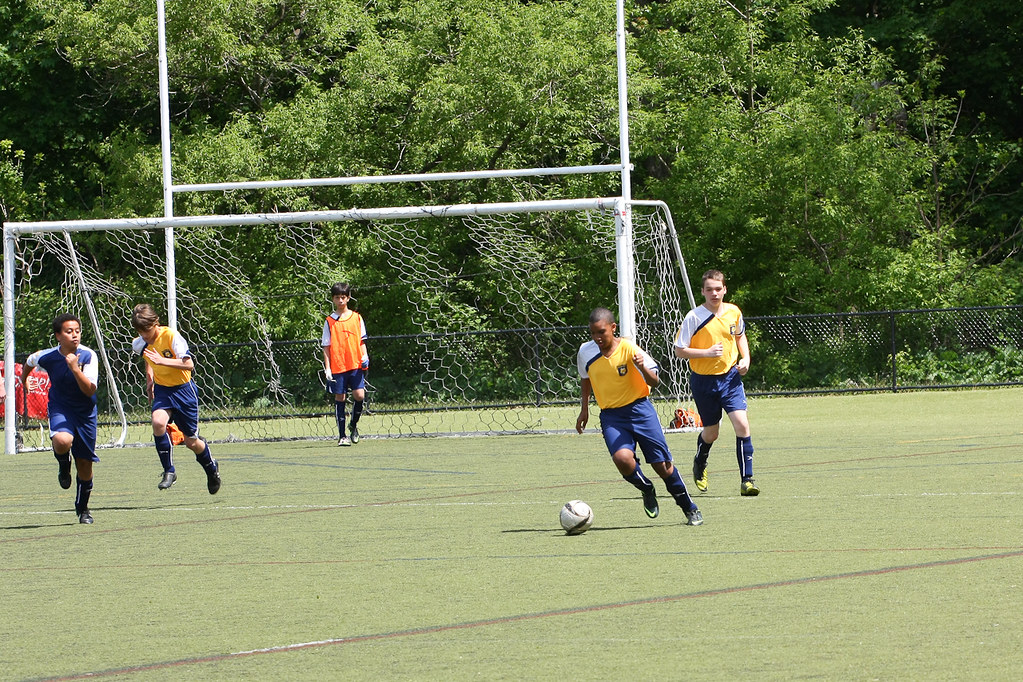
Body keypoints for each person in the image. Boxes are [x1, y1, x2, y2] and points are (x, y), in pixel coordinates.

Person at [575, 307, 703, 526]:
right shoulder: (586, 352)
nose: (597, 338)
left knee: (662, 465)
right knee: (622, 460)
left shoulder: (629, 348)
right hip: (612, 416)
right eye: (593, 333)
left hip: (640, 410)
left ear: (613, 328)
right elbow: (585, 378)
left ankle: (689, 508)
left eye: (601, 332)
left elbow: (654, 382)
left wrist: (643, 367)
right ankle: (646, 488)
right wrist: (584, 408)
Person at [673, 269, 759, 496]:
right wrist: (706, 352)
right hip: (703, 382)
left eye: (718, 289)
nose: (714, 293)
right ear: (702, 291)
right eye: (709, 289)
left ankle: (747, 480)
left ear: (725, 290)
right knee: (712, 433)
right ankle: (700, 462)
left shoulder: (733, 312)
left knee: (742, 425)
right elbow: (679, 350)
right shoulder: (694, 317)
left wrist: (746, 358)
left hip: (730, 378)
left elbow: (740, 336)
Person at [131, 303, 221, 494]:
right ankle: (169, 471)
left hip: (184, 391)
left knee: (191, 442)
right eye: (141, 332)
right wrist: (150, 380)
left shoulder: (171, 336)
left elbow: (189, 365)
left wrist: (161, 361)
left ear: (156, 322)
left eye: (147, 331)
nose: (145, 336)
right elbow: (148, 359)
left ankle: (211, 469)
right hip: (163, 390)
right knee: (157, 422)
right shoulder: (139, 343)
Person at [21, 314, 99, 524]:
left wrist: (74, 368)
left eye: (77, 331)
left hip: (85, 414)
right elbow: (29, 361)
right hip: (60, 407)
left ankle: (82, 509)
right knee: (62, 441)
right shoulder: (47, 356)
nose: (75, 335)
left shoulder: (88, 356)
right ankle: (64, 465)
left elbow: (89, 389)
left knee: (85, 466)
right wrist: (24, 379)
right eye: (68, 331)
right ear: (58, 336)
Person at [321, 282, 369, 446]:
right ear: (333, 299)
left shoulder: (356, 317)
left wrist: (365, 356)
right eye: (337, 297)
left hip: (355, 364)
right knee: (340, 397)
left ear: (348, 298)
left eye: (343, 297)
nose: (340, 300)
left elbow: (362, 341)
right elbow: (326, 347)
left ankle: (353, 424)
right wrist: (327, 368)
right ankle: (342, 436)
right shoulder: (329, 321)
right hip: (338, 366)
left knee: (359, 395)